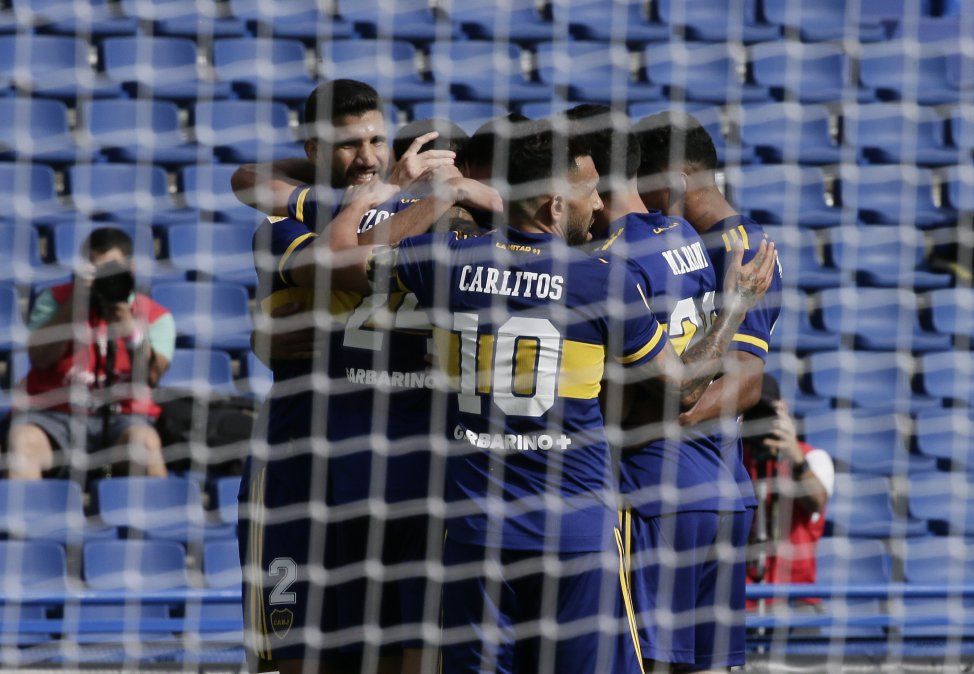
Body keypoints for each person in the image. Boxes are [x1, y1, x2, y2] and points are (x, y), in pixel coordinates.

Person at [329, 120, 777, 674]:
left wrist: (436, 195)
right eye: (588, 192)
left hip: (476, 532)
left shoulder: (442, 262)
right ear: (553, 208)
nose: (597, 203)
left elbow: (338, 265)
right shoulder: (602, 283)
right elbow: (683, 386)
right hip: (576, 531)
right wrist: (734, 306)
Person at [241, 79, 499, 674]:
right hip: (303, 469)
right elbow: (319, 283)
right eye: (349, 144)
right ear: (313, 150)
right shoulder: (295, 224)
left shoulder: (459, 230)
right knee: (302, 654)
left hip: (409, 469)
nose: (368, 157)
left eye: (378, 141)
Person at [566, 105, 766, 672]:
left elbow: (738, 383)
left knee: (648, 661)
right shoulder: (685, 238)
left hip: (653, 490)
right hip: (718, 483)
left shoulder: (603, 264)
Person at [6, 227, 174, 480]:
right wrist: (75, 306)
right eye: (95, 269)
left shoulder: (155, 316)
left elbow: (150, 377)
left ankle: (160, 519)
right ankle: (25, 518)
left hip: (122, 418)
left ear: (131, 269)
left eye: (111, 270)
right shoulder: (54, 300)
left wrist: (130, 328)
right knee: (22, 442)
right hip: (55, 413)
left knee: (146, 444)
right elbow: (39, 359)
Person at [743, 375, 834, 608]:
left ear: (782, 410)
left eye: (765, 413)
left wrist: (794, 458)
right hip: (744, 598)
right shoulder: (734, 460)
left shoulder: (812, 457)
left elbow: (817, 502)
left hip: (796, 596)